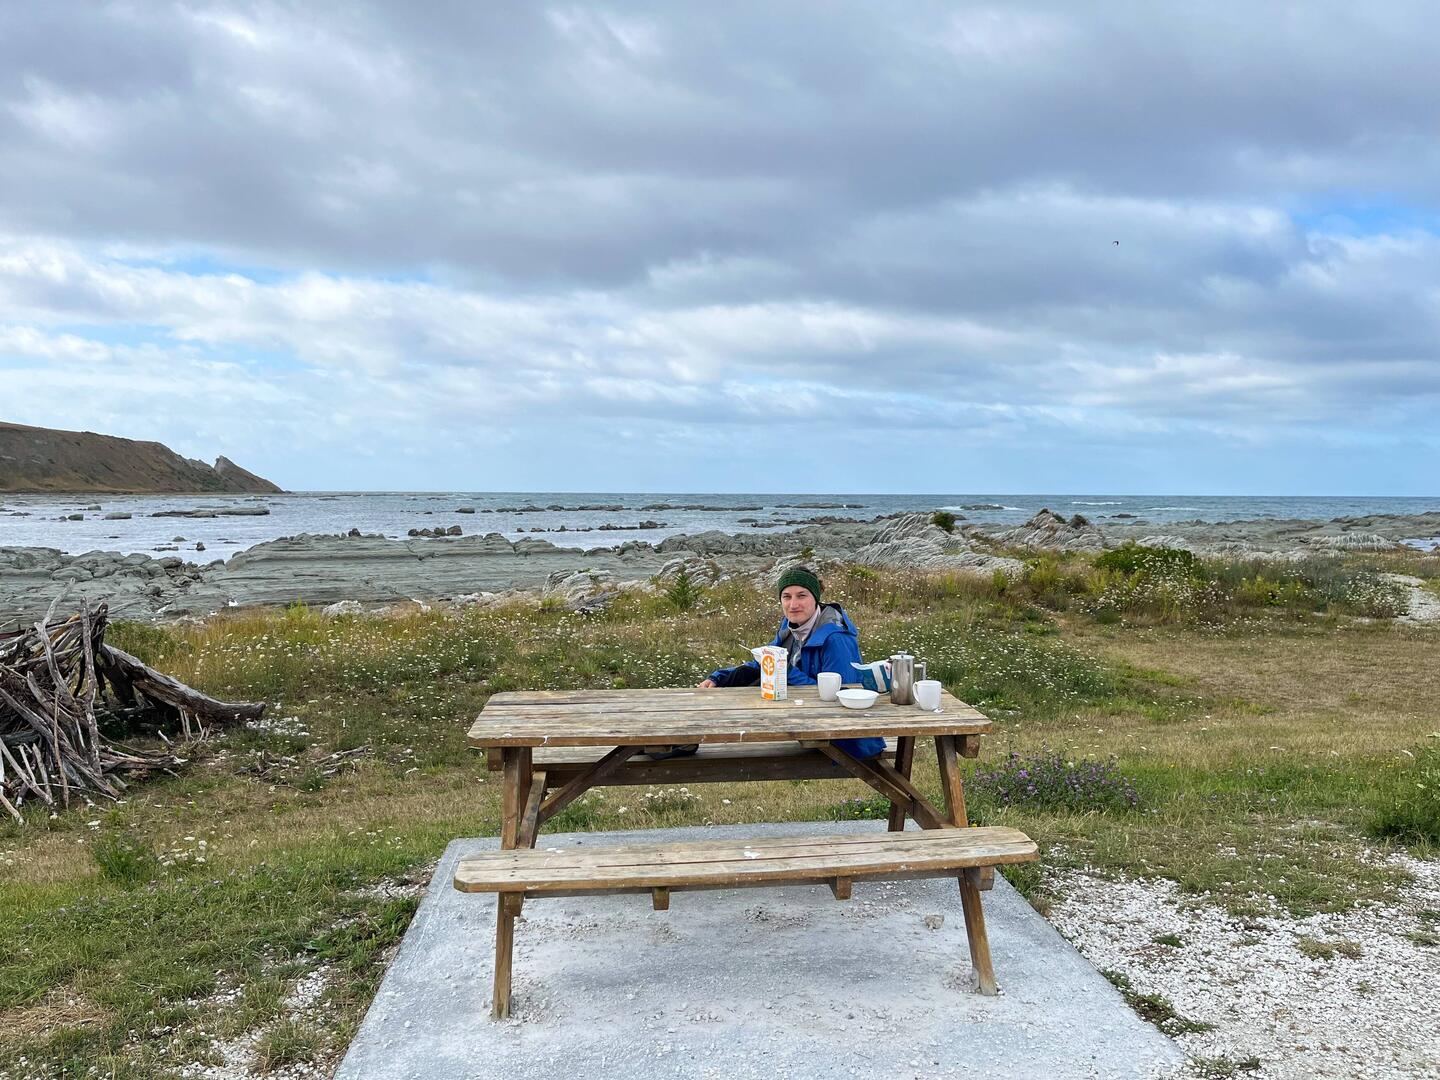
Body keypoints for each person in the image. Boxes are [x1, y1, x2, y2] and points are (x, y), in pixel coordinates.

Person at [673, 566, 885, 760]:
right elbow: (766, 659)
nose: (793, 605)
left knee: (749, 697)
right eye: (787, 597)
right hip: (802, 715)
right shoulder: (792, 625)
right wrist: (718, 677)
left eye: (802, 596)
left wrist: (785, 671)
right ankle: (679, 739)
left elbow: (845, 696)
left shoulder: (836, 638)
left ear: (816, 598)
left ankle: (681, 741)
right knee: (736, 684)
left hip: (844, 739)